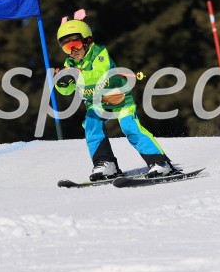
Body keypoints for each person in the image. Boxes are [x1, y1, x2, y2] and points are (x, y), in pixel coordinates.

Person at [54, 18, 174, 181]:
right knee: (92, 126)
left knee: (129, 127)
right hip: (95, 102)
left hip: (118, 96)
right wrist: (61, 82)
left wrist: (75, 76)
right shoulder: (70, 64)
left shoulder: (99, 53)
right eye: (67, 47)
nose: (73, 50)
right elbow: (67, 91)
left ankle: (160, 163)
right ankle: (106, 164)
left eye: (75, 44)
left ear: (87, 40)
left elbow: (100, 75)